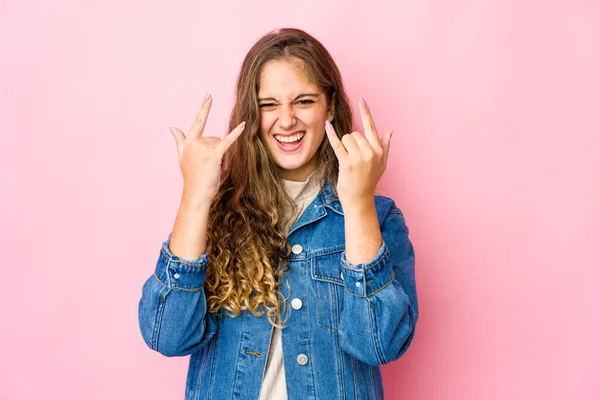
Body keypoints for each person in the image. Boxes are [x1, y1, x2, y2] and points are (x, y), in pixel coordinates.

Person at [138, 27, 418, 400]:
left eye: (303, 101)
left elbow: (379, 345)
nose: (286, 121)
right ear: (253, 113)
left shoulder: (378, 217)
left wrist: (358, 203)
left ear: (329, 105)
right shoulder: (215, 212)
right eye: (269, 104)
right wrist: (194, 196)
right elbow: (167, 336)